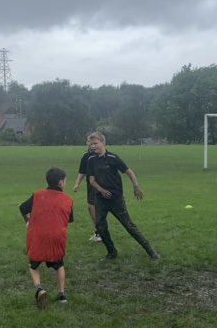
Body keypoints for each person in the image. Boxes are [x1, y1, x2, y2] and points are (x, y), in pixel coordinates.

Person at [85, 131, 160, 260]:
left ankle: (151, 251)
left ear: (103, 143)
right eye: (91, 144)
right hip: (100, 198)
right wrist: (101, 190)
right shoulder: (91, 160)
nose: (92, 146)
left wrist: (136, 186)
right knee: (100, 226)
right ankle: (111, 252)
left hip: (116, 199)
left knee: (128, 225)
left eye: (95, 143)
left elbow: (129, 172)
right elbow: (91, 181)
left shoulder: (113, 158)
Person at [20, 167, 74, 306]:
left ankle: (39, 289)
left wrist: (28, 221)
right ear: (60, 183)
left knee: (33, 265)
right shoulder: (68, 200)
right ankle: (62, 294)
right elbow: (69, 219)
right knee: (59, 265)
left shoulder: (37, 195)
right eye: (65, 181)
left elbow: (23, 208)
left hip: (37, 236)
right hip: (56, 237)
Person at [72, 145, 101, 242]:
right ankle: (99, 231)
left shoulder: (103, 154)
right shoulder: (86, 156)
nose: (92, 145)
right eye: (89, 142)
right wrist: (77, 184)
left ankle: (100, 232)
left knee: (98, 207)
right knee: (91, 207)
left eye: (94, 142)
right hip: (91, 185)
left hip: (103, 184)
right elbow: (82, 171)